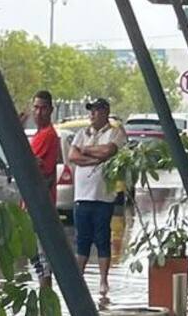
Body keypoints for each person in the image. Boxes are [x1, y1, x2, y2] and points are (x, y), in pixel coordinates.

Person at [69, 97, 127, 298]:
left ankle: (103, 280)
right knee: (82, 239)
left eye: (95, 110)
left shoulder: (115, 132)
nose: (92, 114)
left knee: (103, 238)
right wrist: (94, 156)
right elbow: (72, 156)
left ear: (105, 111)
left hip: (103, 196)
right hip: (82, 196)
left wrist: (85, 150)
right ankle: (79, 279)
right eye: (90, 111)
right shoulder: (81, 134)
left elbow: (109, 151)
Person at [21, 89, 60, 291]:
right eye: (36, 107)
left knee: (42, 262)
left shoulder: (47, 136)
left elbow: (31, 165)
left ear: (50, 110)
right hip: (34, 205)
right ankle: (46, 307)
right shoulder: (39, 135)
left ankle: (47, 304)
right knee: (37, 261)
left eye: (43, 108)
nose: (39, 112)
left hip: (40, 207)